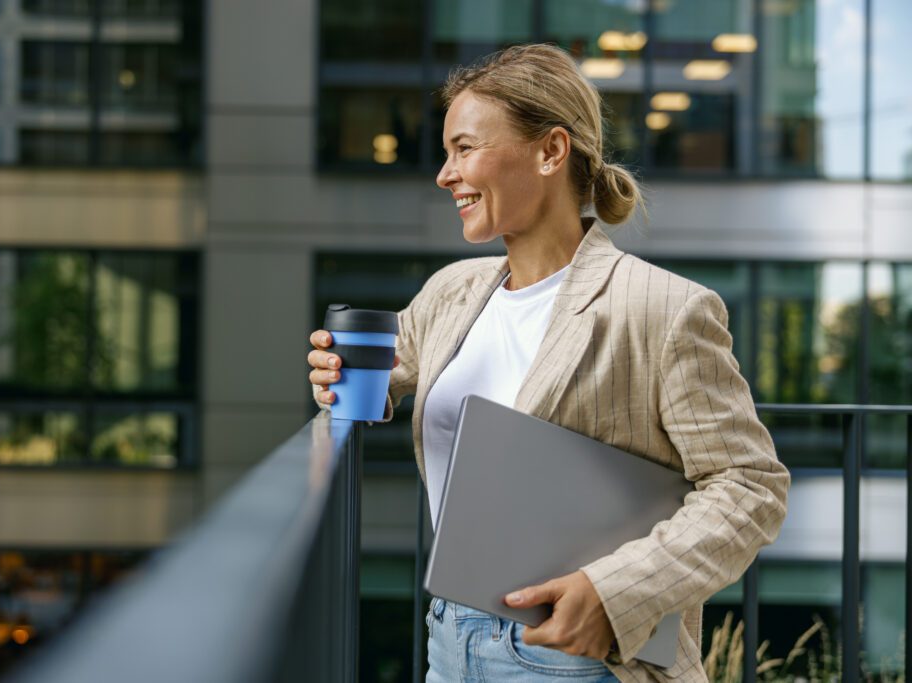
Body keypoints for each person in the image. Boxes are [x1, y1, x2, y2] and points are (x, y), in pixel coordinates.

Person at [307, 43, 789, 683]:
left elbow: (750, 487)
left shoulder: (664, 307)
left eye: (465, 148)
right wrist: (337, 377)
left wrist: (612, 592)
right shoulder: (454, 291)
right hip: (449, 637)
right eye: (447, 152)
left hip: (576, 652)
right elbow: (391, 375)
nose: (445, 174)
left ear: (550, 151)